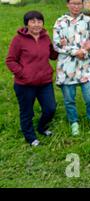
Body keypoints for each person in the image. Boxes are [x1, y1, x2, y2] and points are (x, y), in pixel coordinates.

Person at [6, 11, 58, 147]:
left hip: (45, 82)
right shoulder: (18, 40)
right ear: (27, 23)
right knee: (27, 112)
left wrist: (59, 45)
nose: (36, 24)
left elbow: (53, 55)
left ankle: (42, 127)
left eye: (39, 21)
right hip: (25, 84)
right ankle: (30, 137)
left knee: (50, 108)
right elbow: (10, 60)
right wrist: (23, 73)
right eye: (33, 21)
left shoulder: (45, 37)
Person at [53, 0, 90, 136]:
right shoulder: (60, 22)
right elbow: (57, 44)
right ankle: (73, 122)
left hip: (85, 66)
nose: (76, 6)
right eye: (73, 3)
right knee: (69, 99)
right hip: (66, 67)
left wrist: (86, 51)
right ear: (68, 4)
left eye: (79, 3)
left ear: (82, 5)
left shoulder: (88, 21)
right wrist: (77, 51)